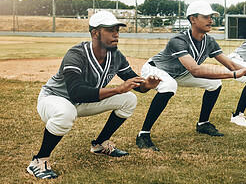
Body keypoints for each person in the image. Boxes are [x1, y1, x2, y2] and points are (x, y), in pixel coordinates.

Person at [27, 11, 161, 179]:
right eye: (110, 29)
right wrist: (118, 89)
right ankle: (39, 160)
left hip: (82, 103)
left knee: (129, 99)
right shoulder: (76, 54)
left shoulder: (116, 57)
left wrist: (146, 85)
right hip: (54, 99)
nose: (116, 34)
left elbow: (135, 83)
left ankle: (100, 144)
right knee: (66, 111)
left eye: (117, 30)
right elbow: (76, 93)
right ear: (94, 33)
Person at [135, 0, 246, 150]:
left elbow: (230, 64)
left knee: (214, 84)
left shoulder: (209, 41)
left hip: (181, 72)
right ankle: (143, 134)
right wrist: (234, 75)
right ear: (193, 19)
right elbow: (196, 71)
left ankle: (203, 124)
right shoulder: (179, 40)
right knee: (169, 86)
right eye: (206, 16)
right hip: (156, 69)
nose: (211, 20)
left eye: (211, 16)